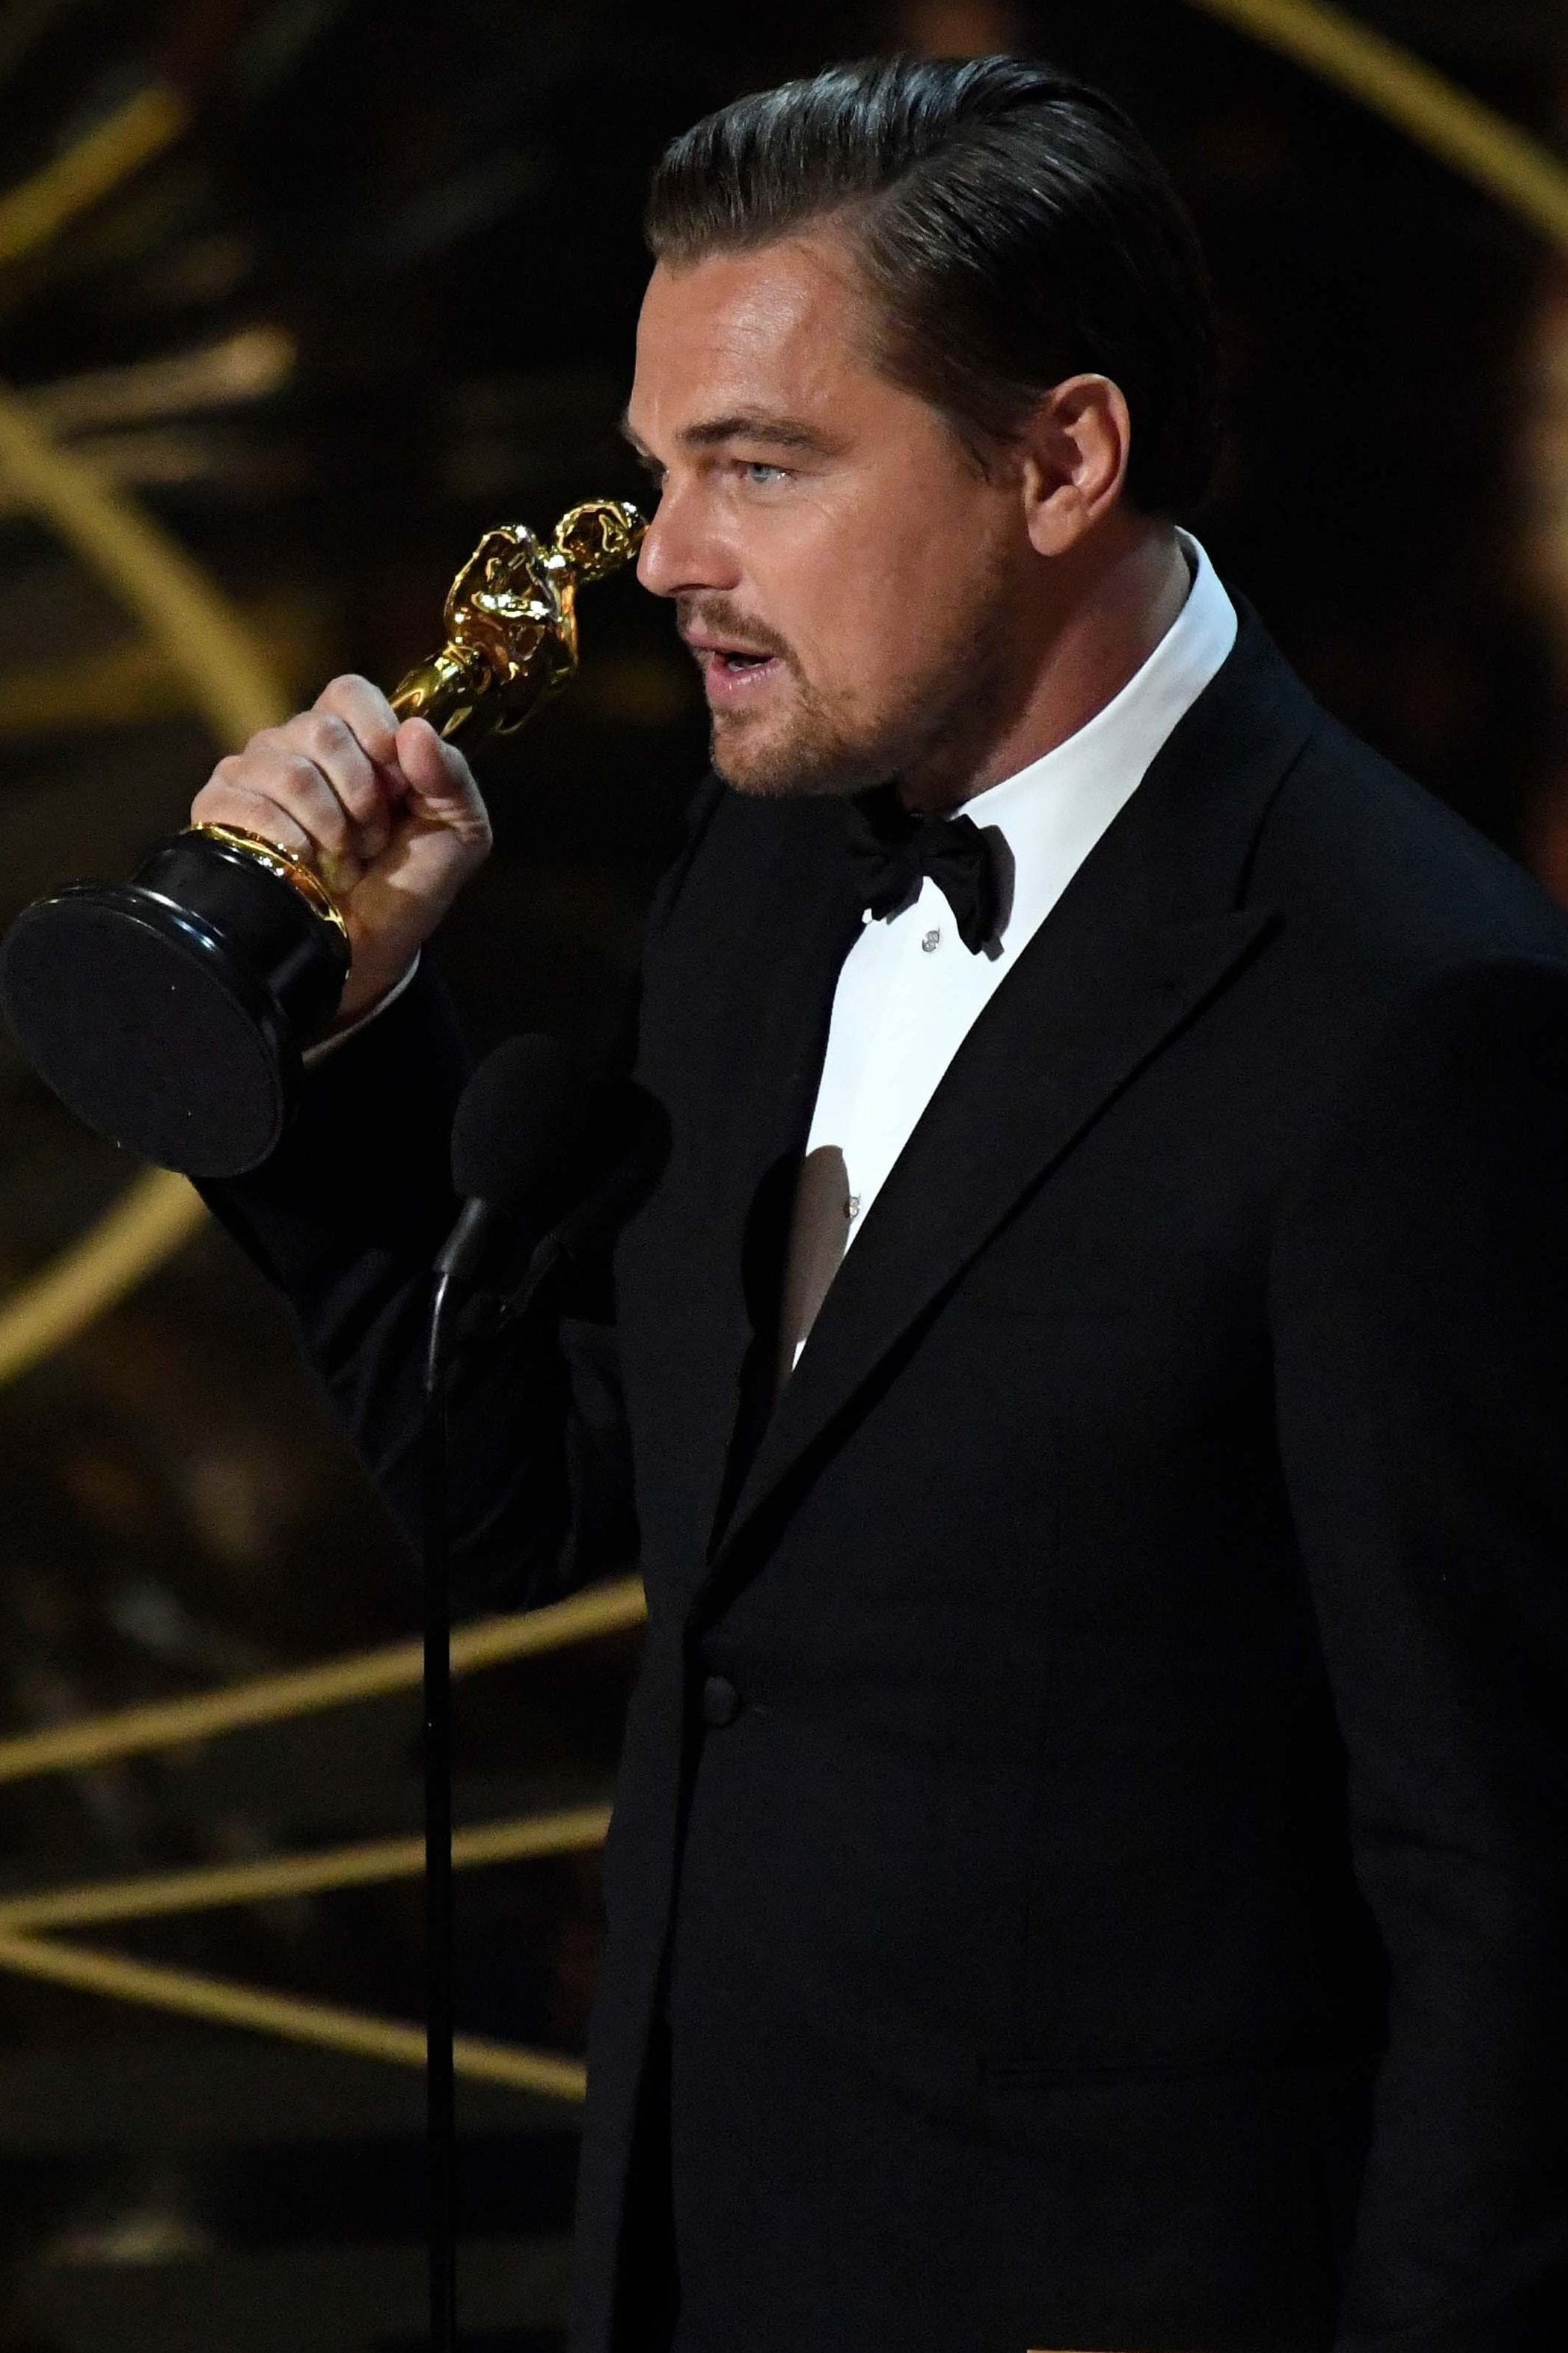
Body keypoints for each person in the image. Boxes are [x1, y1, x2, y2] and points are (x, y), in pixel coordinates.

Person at [192, 56, 1568, 2353]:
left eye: (759, 464)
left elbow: (1509, 1898)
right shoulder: (761, 869)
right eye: (660, 467)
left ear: (1061, 460)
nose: (663, 557)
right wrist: (338, 1042)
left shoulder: (1416, 1018)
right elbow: (551, 1493)